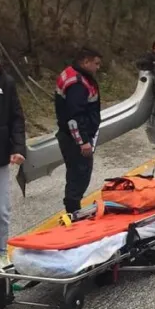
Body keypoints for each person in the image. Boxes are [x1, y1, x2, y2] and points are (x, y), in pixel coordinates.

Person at [0, 43, 26, 270]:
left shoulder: (7, 84)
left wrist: (18, 147)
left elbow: (17, 118)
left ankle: (0, 253)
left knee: (0, 211)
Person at [55, 47, 102, 214]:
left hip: (68, 136)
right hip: (74, 139)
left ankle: (73, 208)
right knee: (80, 175)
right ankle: (73, 212)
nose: (98, 67)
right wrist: (83, 142)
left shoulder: (70, 72)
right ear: (85, 61)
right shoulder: (78, 84)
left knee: (75, 173)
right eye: (96, 64)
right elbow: (75, 117)